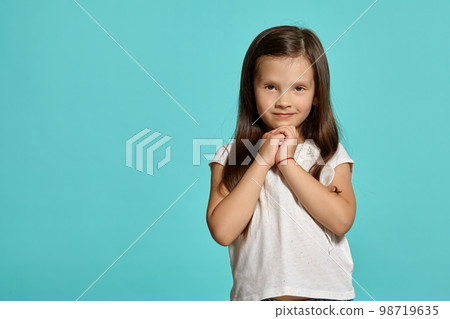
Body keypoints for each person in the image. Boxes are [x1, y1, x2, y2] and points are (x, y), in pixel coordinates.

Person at [206, 25, 356, 302]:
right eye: (271, 87)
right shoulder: (231, 156)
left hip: (326, 302)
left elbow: (341, 220)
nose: (284, 101)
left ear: (317, 94)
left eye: (299, 88)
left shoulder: (329, 153)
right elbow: (223, 231)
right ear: (252, 90)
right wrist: (263, 160)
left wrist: (287, 163)